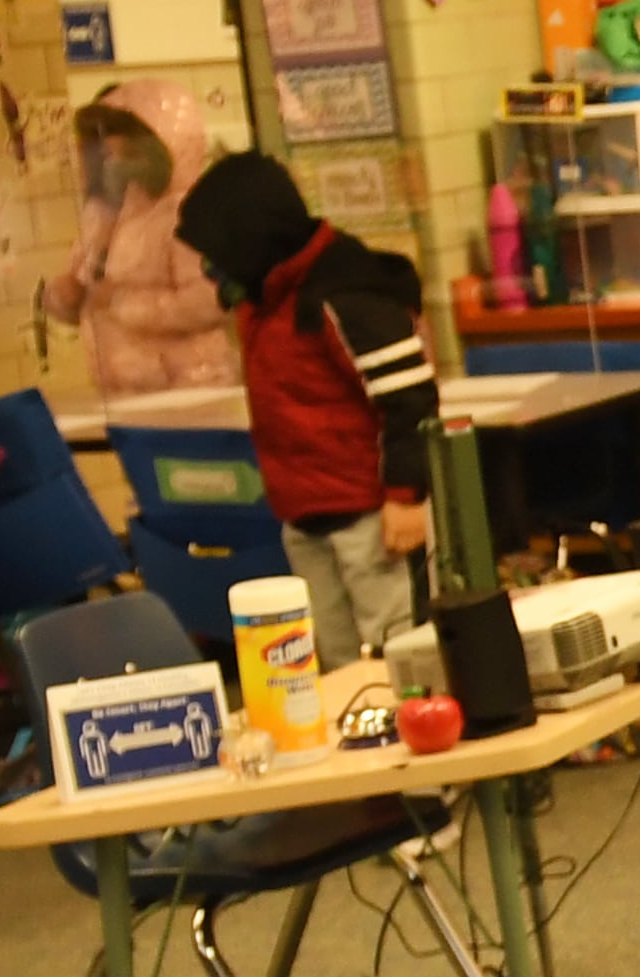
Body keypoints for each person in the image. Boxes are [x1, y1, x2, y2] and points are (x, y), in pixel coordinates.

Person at [169, 151, 439, 663]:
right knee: (335, 660)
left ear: (250, 238)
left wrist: (406, 496)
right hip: (305, 515)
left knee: (399, 650)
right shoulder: (262, 300)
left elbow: (410, 401)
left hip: (372, 516)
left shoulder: (345, 292)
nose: (210, 270)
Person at [37, 78, 240, 399]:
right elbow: (86, 294)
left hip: (191, 393)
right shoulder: (100, 216)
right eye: (99, 136)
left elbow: (211, 301)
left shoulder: (187, 215)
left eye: (116, 133)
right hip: (124, 395)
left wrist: (124, 304)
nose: (106, 148)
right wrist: (65, 297)